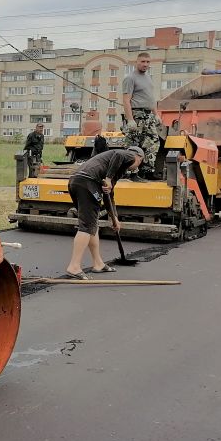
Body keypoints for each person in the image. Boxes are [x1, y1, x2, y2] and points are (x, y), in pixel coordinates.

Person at [64, 145, 144, 279]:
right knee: (86, 226)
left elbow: (109, 195)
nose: (137, 166)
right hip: (87, 182)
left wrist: (114, 218)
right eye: (140, 162)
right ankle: (74, 266)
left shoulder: (115, 168)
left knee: (92, 224)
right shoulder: (128, 155)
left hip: (77, 182)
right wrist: (108, 178)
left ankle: (98, 263)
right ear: (138, 157)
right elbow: (118, 155)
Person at [122, 52, 161, 181]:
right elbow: (126, 100)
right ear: (137, 62)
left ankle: (147, 171)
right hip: (137, 115)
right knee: (134, 144)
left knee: (153, 142)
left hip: (149, 116)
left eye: (148, 62)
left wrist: (156, 114)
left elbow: (151, 98)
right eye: (143, 61)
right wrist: (130, 120)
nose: (145, 64)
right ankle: (131, 173)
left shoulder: (148, 77)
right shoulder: (130, 78)